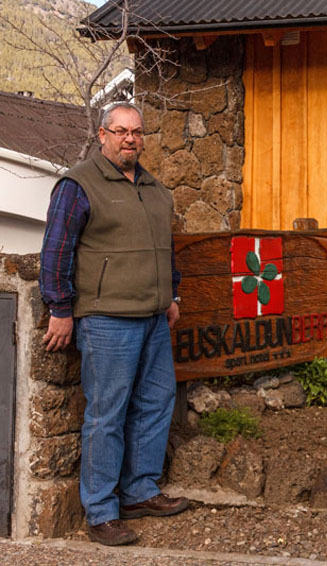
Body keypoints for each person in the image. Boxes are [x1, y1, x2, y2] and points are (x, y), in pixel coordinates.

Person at [39, 102, 188, 546]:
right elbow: (56, 251)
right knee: (106, 415)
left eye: (137, 132)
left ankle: (140, 490)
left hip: (153, 317)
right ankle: (101, 511)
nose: (130, 139)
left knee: (156, 403)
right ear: (102, 135)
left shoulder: (155, 189)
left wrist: (172, 295)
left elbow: (166, 248)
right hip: (106, 321)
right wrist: (60, 308)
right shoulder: (78, 185)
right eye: (120, 131)